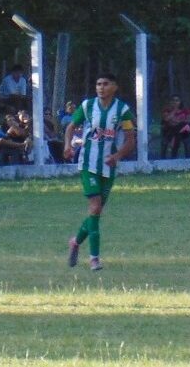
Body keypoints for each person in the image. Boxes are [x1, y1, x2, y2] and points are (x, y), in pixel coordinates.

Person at [64, 73, 136, 271]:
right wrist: (67, 145)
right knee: (95, 208)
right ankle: (94, 258)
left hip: (109, 166)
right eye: (98, 84)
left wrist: (117, 156)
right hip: (88, 164)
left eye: (105, 84)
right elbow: (71, 126)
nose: (101, 87)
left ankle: (76, 242)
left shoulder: (122, 110)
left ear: (115, 87)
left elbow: (131, 140)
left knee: (95, 213)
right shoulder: (87, 106)